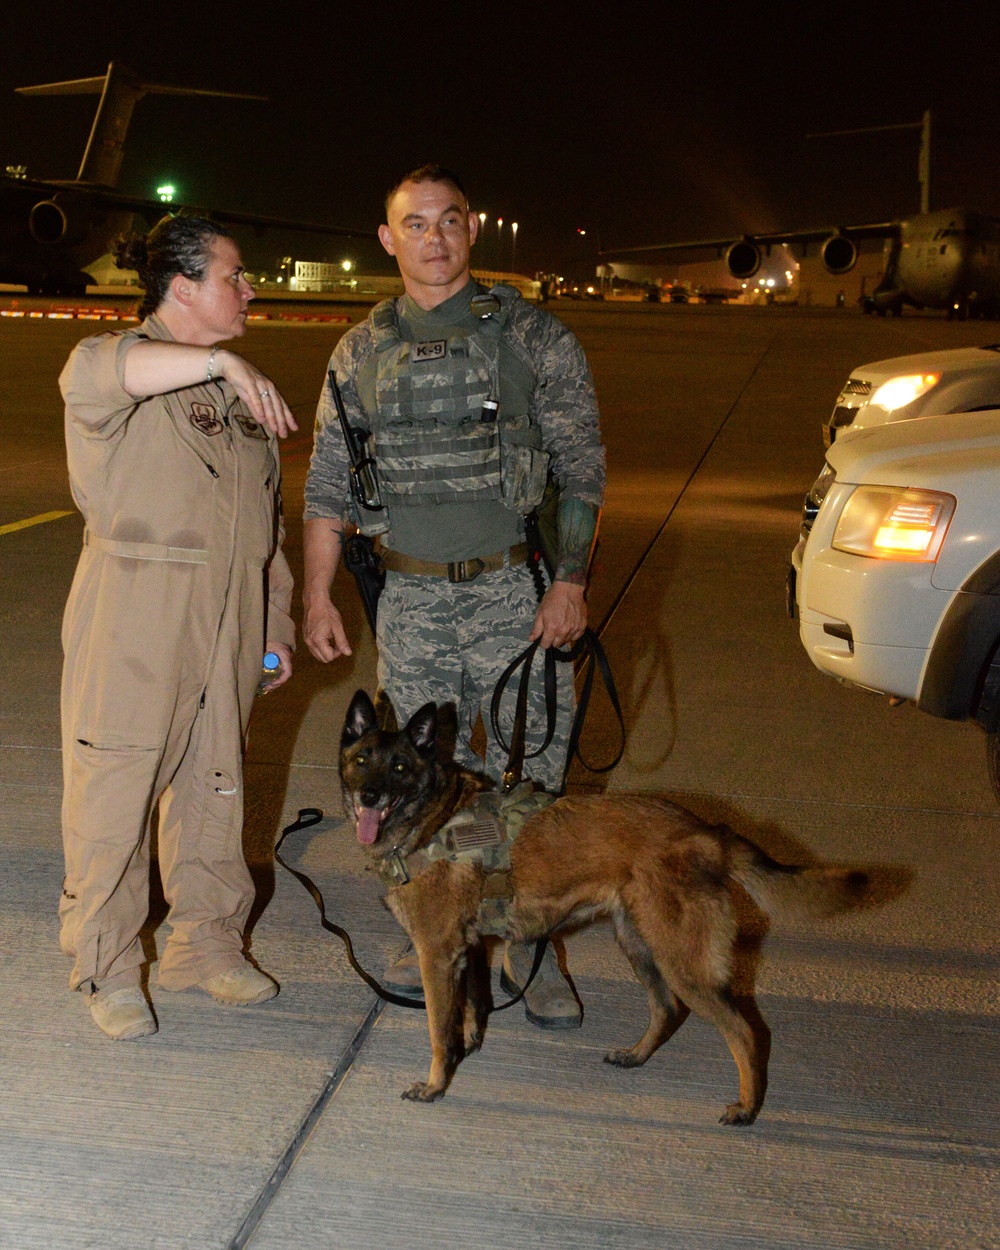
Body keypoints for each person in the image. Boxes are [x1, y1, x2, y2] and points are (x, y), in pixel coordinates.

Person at [303, 165, 605, 1028]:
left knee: (529, 783)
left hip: (518, 591)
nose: (434, 239)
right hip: (409, 597)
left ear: (471, 229)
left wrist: (572, 581)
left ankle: (526, 945)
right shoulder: (359, 350)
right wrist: (319, 595)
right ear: (387, 238)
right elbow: (329, 481)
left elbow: (581, 464)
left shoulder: (535, 336)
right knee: (418, 786)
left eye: (449, 221)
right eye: (415, 224)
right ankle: (437, 926)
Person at [58, 214, 298, 1041]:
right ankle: (108, 965)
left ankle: (205, 945)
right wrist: (223, 359)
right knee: (114, 793)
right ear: (184, 285)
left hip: (227, 622)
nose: (250, 289)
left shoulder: (237, 402)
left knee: (215, 787)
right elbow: (99, 375)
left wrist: (278, 620)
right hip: (135, 620)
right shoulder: (110, 363)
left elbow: (266, 524)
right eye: (237, 275)